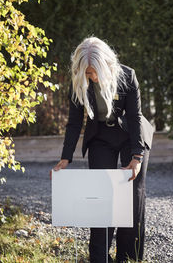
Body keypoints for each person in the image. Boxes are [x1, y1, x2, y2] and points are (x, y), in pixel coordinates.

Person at [51, 36, 154, 262]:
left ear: (106, 64)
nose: (92, 77)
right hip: (101, 136)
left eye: (95, 72)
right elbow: (75, 121)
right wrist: (65, 158)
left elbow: (135, 118)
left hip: (131, 134)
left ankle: (128, 256)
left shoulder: (128, 76)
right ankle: (99, 257)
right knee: (101, 195)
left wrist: (137, 157)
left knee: (132, 195)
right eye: (88, 73)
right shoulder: (79, 81)